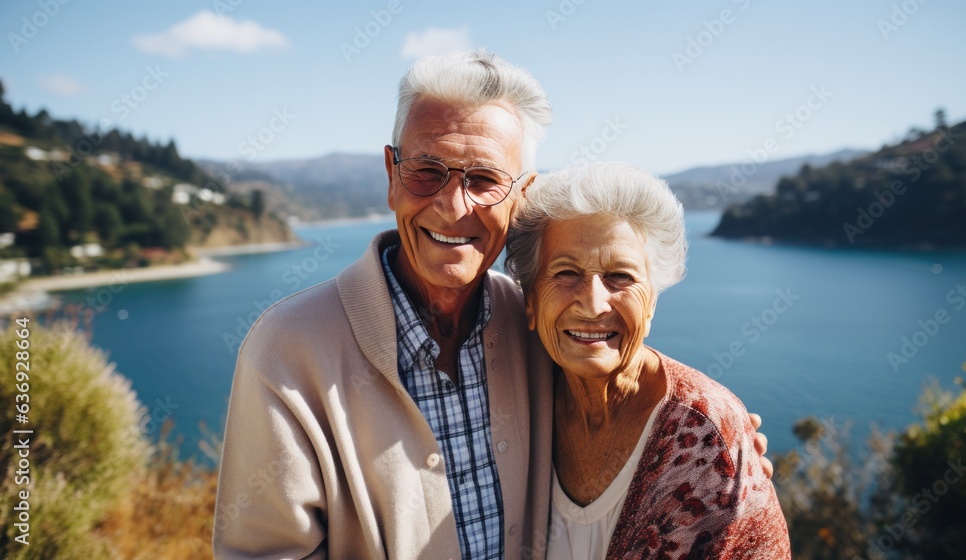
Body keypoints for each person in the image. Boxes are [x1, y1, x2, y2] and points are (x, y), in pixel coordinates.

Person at [213, 50, 772, 559]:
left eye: (483, 179)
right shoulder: (288, 348)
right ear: (391, 175)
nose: (453, 207)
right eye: (427, 172)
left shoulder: (533, 319)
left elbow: (608, 337)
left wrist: (712, 441)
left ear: (521, 196)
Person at [505, 162, 791, 559]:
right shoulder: (515, 400)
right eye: (566, 272)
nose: (593, 303)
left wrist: (730, 439)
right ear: (531, 302)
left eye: (619, 276)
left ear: (652, 300)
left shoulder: (706, 437)